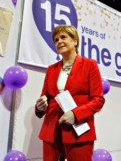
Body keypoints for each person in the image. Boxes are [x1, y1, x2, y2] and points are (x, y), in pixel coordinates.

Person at [35, 25, 105, 161]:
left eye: (63, 37)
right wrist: (39, 107)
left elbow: (98, 100)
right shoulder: (51, 69)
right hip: (51, 131)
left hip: (78, 131)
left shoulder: (89, 65)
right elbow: (45, 97)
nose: (59, 41)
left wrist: (75, 114)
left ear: (75, 41)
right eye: (56, 40)